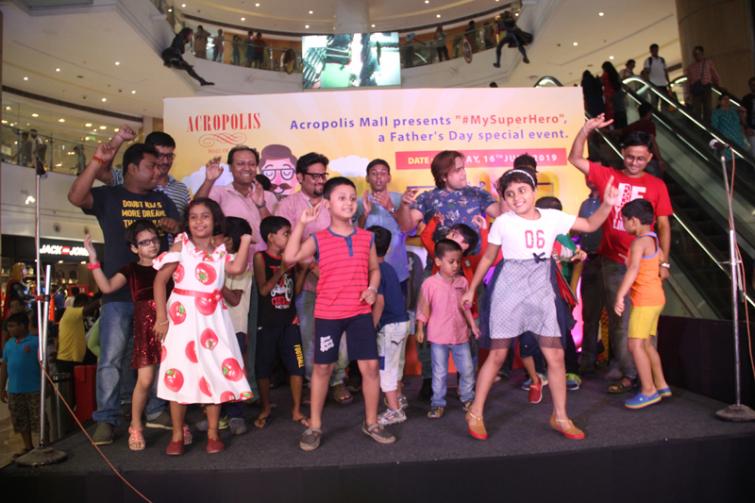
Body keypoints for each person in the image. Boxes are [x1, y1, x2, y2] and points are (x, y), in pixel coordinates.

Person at [462, 167, 619, 441]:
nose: (516, 197)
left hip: (541, 288)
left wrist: (607, 204)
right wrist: (472, 289)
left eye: (522, 190)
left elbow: (590, 224)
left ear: (534, 190)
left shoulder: (553, 217)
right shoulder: (503, 222)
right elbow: (487, 258)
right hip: (509, 288)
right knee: (497, 355)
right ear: (504, 198)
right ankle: (475, 412)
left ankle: (560, 416)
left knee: (555, 355)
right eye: (510, 194)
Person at [67, 141, 181, 445]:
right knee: (111, 358)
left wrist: (174, 224)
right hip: (119, 294)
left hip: (157, 297)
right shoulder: (110, 196)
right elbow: (75, 196)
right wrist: (97, 161)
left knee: (158, 356)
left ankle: (155, 409)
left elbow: (180, 229)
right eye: (151, 166)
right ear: (131, 168)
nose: (158, 171)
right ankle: (106, 417)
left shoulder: (162, 199)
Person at [283, 177, 395, 451]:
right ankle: (315, 425)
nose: (348, 203)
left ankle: (371, 423)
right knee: (322, 368)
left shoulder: (366, 237)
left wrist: (372, 288)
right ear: (327, 204)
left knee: (370, 368)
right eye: (341, 198)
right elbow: (289, 258)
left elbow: (374, 270)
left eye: (352, 198)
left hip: (359, 312)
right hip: (329, 314)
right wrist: (301, 223)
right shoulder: (318, 238)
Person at [568, 117, 673, 395]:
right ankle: (631, 375)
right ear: (622, 152)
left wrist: (664, 261)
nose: (634, 162)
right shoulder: (609, 175)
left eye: (641, 158)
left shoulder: (657, 185)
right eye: (629, 156)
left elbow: (664, 226)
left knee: (647, 324)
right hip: (615, 262)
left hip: (647, 265)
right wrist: (585, 130)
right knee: (621, 322)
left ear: (649, 157)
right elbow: (575, 158)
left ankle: (650, 378)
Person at [152, 198, 254, 456]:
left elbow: (237, 268)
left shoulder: (220, 252)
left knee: (213, 372)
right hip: (182, 318)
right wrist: (161, 318)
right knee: (179, 372)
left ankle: (212, 433)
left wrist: (244, 241)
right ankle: (177, 434)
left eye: (205, 216)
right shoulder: (181, 245)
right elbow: (160, 281)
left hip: (213, 320)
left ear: (215, 220)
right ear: (187, 222)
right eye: (194, 217)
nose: (199, 221)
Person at [83, 221, 175, 451]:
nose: (152, 245)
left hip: (173, 326)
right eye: (144, 242)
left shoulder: (169, 264)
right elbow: (106, 287)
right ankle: (135, 424)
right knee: (145, 380)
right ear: (134, 248)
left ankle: (175, 423)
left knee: (171, 375)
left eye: (154, 240)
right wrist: (93, 260)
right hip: (146, 329)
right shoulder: (131, 270)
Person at [275, 153, 353, 405]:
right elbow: (286, 244)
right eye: (315, 176)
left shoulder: (335, 203)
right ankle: (312, 383)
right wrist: (312, 266)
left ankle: (338, 380)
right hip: (308, 284)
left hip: (340, 286)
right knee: (310, 336)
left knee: (341, 337)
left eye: (323, 175)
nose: (320, 180)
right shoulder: (288, 205)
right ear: (300, 177)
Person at [614, 199, 672, 409]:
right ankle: (661, 385)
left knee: (635, 344)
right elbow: (660, 263)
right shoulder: (653, 238)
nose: (624, 225)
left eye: (624, 221)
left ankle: (648, 390)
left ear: (634, 221)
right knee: (646, 344)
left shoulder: (639, 243)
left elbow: (633, 270)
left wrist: (620, 295)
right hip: (656, 298)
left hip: (644, 301)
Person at [253, 216, 308, 429]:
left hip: (290, 322)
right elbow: (264, 290)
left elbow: (296, 292)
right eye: (286, 233)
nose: (290, 237)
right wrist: (282, 269)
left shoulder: (290, 258)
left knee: (298, 365)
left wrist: (302, 271)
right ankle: (265, 407)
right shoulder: (260, 258)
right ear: (271, 237)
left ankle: (296, 410)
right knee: (263, 367)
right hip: (267, 324)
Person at [417, 239, 478, 419]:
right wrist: (420, 328)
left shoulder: (462, 282)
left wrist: (473, 326)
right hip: (438, 336)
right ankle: (437, 403)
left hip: (460, 335)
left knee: (467, 369)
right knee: (439, 372)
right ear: (438, 261)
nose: (455, 265)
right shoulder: (429, 284)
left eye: (458, 261)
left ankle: (468, 398)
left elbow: (466, 307)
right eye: (451, 262)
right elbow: (423, 308)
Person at [397, 150, 500, 249]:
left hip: (476, 260)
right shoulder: (427, 198)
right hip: (440, 260)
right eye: (457, 170)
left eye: (463, 168)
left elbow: (499, 213)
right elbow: (405, 227)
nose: (463, 173)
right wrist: (404, 206)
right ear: (443, 177)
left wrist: (503, 191)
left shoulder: (477, 193)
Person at [195, 146, 277, 254]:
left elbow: (275, 233)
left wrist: (261, 206)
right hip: (230, 259)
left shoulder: (269, 196)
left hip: (262, 258)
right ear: (230, 167)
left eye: (252, 164)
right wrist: (209, 181)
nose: (247, 168)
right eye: (240, 164)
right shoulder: (219, 192)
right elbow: (196, 208)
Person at [370, 226, 410, 426]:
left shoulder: (376, 271)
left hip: (389, 327)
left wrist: (371, 327)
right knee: (396, 365)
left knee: (386, 369)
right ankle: (399, 399)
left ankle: (395, 410)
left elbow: (379, 301)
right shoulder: (389, 268)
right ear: (387, 249)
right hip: (401, 323)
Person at [100, 130, 191, 219]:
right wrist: (119, 138)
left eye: (169, 156)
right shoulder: (130, 176)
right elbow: (102, 173)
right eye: (160, 155)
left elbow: (186, 222)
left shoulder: (181, 188)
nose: (166, 161)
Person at [356, 159, 410, 294]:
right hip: (368, 267)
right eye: (374, 173)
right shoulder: (359, 202)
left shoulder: (400, 199)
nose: (379, 177)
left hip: (396, 266)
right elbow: (355, 234)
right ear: (367, 178)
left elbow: (406, 228)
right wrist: (365, 214)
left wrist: (390, 207)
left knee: (397, 305)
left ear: (389, 177)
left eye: (383, 173)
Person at [0, 312, 41, 458]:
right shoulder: (9, 345)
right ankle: (28, 447)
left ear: (23, 326)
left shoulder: (36, 342)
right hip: (15, 389)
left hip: (34, 388)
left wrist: (46, 385)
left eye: (12, 326)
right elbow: (4, 366)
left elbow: (44, 365)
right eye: (8, 326)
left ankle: (46, 445)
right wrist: (2, 388)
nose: (9, 329)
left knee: (39, 419)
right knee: (20, 420)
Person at [55, 293, 98, 376]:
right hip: (67, 361)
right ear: (81, 304)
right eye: (88, 304)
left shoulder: (78, 319)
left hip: (74, 360)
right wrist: (103, 300)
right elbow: (87, 309)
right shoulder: (70, 312)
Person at [685, 45, 720, 124]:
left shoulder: (708, 62)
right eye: (694, 54)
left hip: (706, 87)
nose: (696, 56)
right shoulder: (690, 67)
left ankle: (707, 127)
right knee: (696, 109)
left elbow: (714, 74)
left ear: (702, 53)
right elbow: (688, 81)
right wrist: (687, 94)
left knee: (707, 109)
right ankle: (699, 126)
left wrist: (718, 84)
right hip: (695, 89)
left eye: (698, 54)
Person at [711, 93, 749, 159]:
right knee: (729, 158)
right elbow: (714, 127)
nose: (727, 101)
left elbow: (741, 122)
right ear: (719, 101)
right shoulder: (716, 113)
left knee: (741, 157)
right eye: (724, 99)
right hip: (727, 139)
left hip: (739, 139)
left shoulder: (734, 110)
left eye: (728, 99)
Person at [601, 61, 627, 129]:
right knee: (622, 112)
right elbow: (620, 83)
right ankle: (624, 129)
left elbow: (603, 83)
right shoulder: (615, 74)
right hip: (619, 93)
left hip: (611, 96)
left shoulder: (605, 75)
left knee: (615, 114)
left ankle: (618, 130)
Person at [741, 77, 755, 156]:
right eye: (752, 85)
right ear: (750, 86)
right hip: (751, 129)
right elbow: (742, 114)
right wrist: (746, 127)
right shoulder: (746, 98)